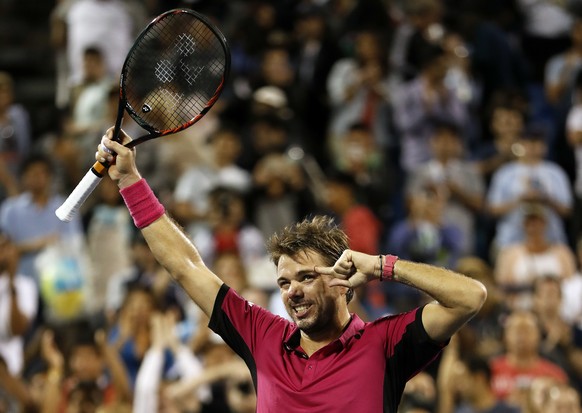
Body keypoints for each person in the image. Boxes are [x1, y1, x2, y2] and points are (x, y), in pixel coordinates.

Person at [94, 127, 487, 412]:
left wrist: (384, 266)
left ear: (342, 280)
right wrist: (130, 180)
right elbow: (186, 267)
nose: (291, 291)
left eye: (306, 277)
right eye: (283, 282)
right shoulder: (262, 335)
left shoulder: (385, 344)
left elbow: (470, 298)